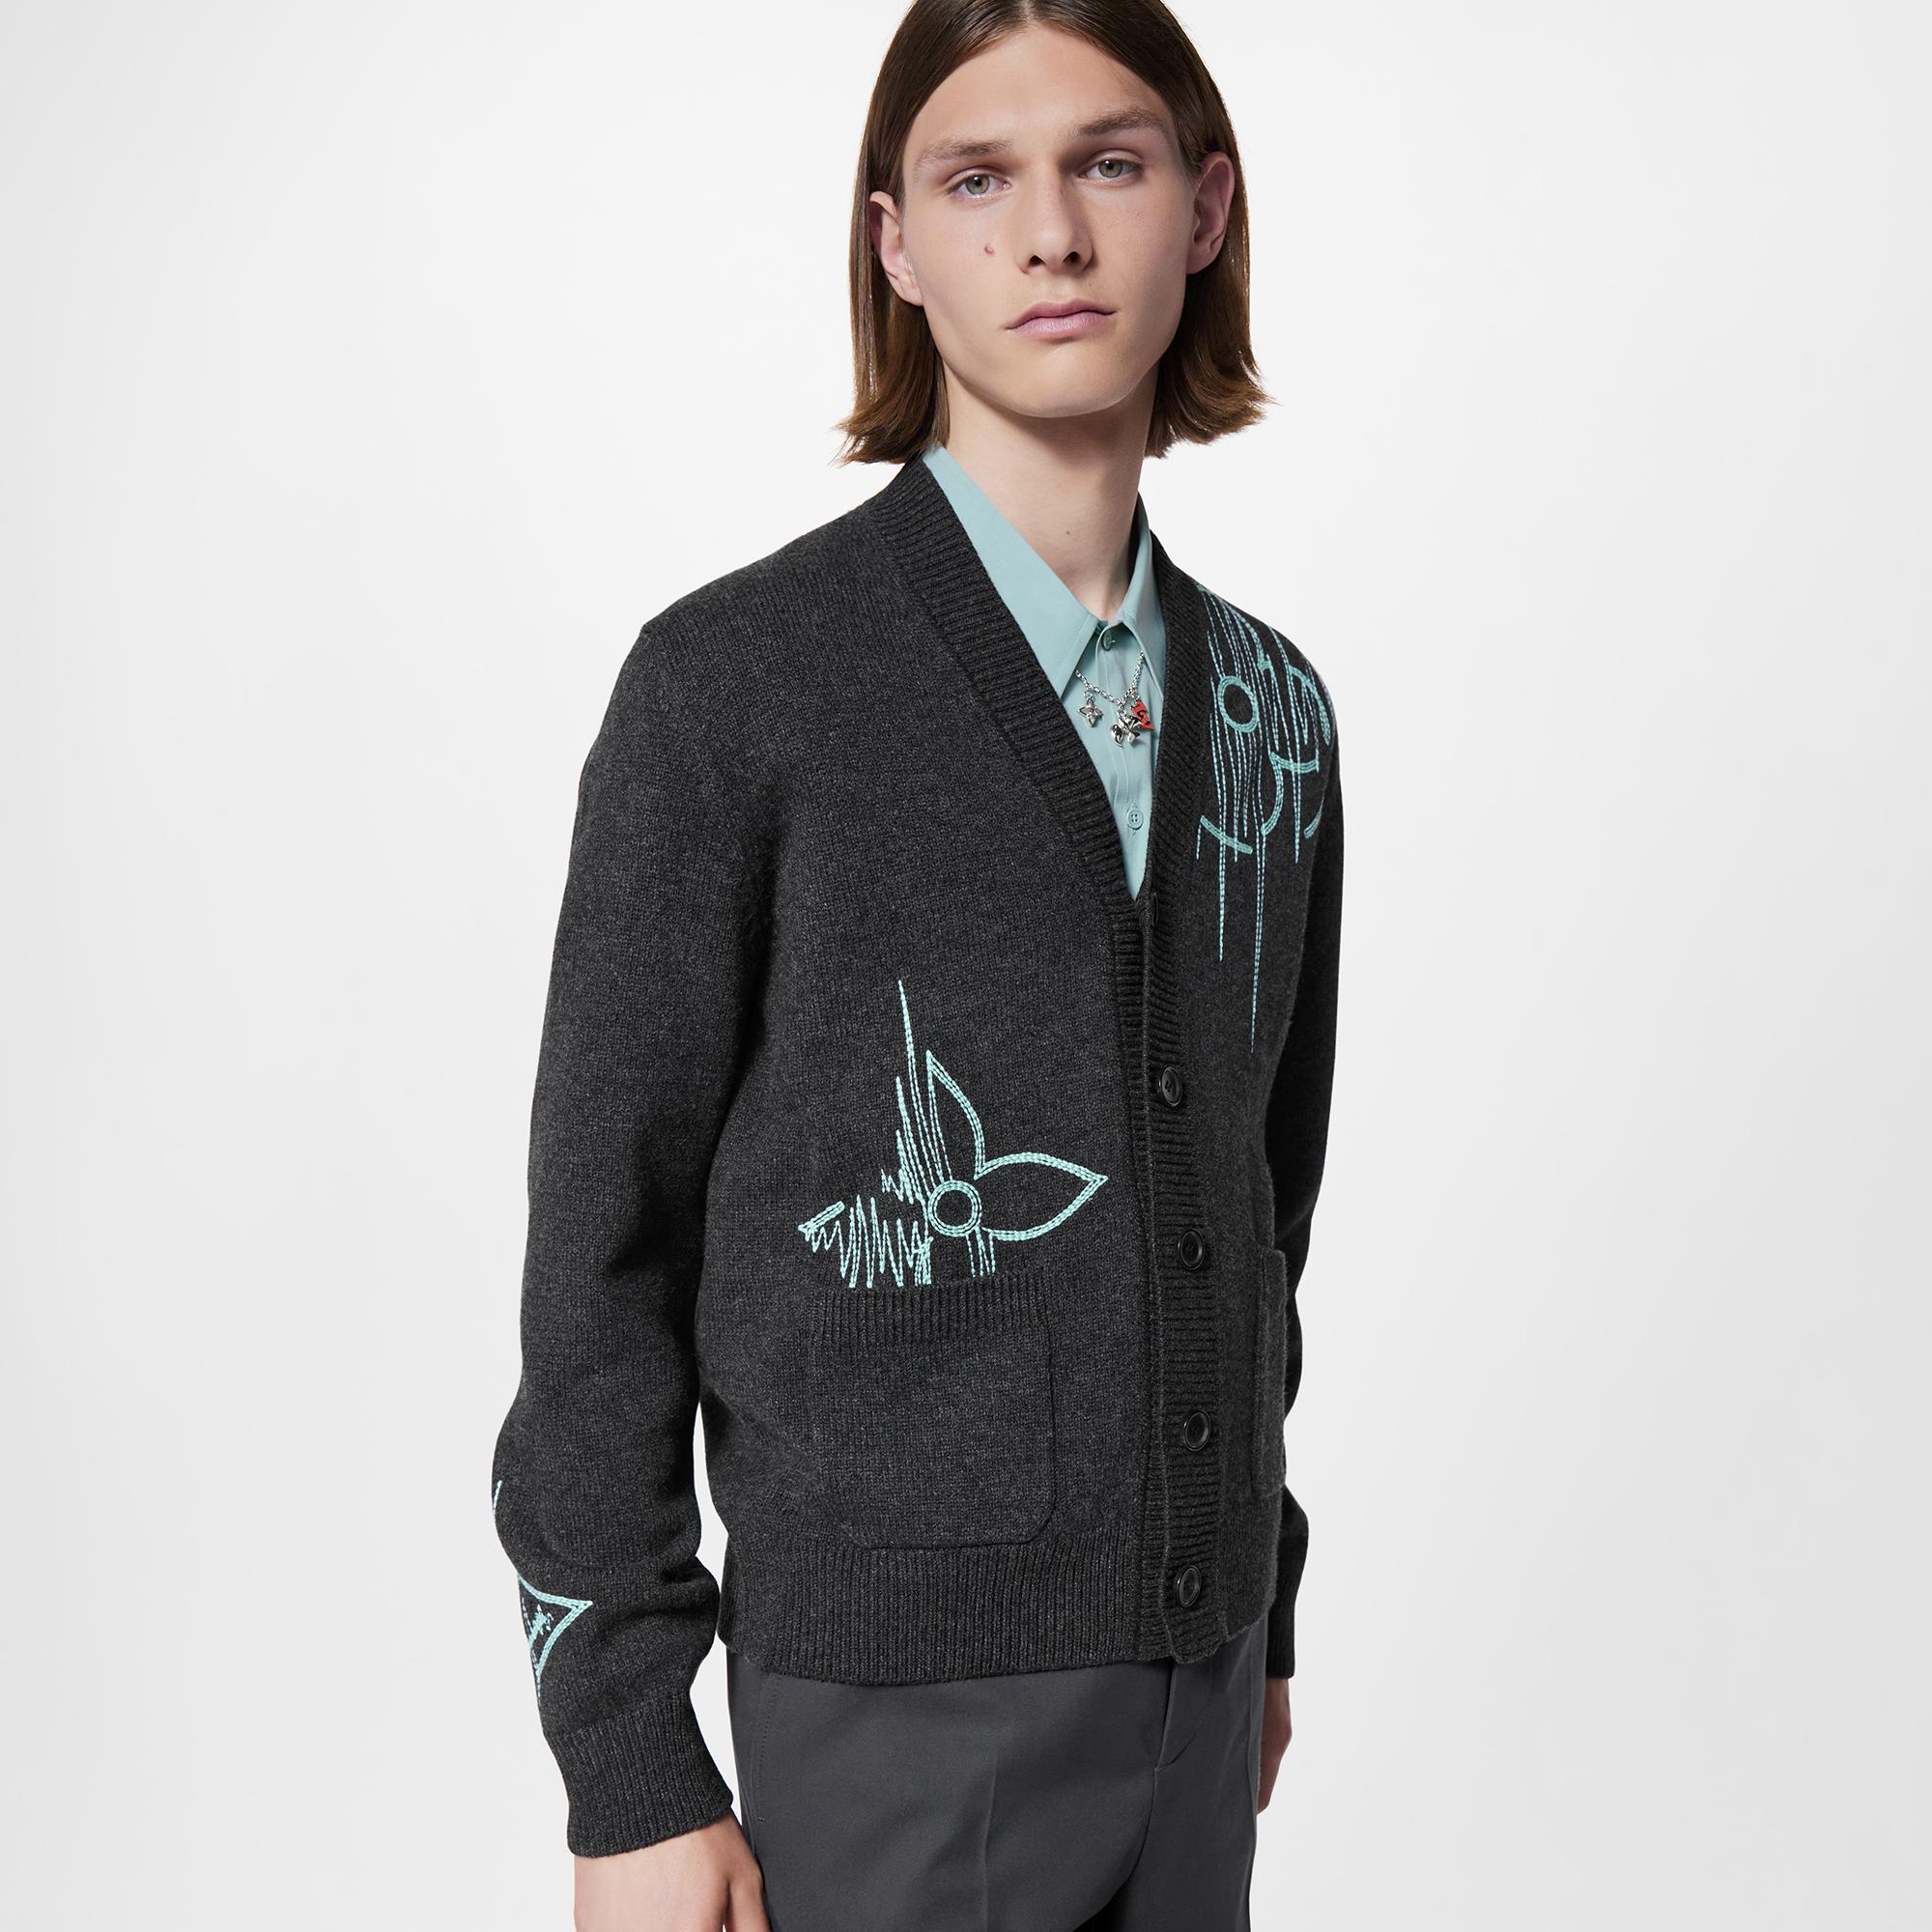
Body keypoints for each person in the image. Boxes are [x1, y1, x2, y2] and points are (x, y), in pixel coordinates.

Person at [490, 3, 1347, 1926]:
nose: (1051, 234)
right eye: (978, 181)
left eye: (1109, 163)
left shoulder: (1274, 716)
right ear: (894, 243)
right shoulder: (733, 690)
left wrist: (1260, 1602)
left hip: (1202, 1703)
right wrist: (627, 1767)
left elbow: (1255, 1213)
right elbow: (600, 1255)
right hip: (889, 1724)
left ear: (1205, 208)